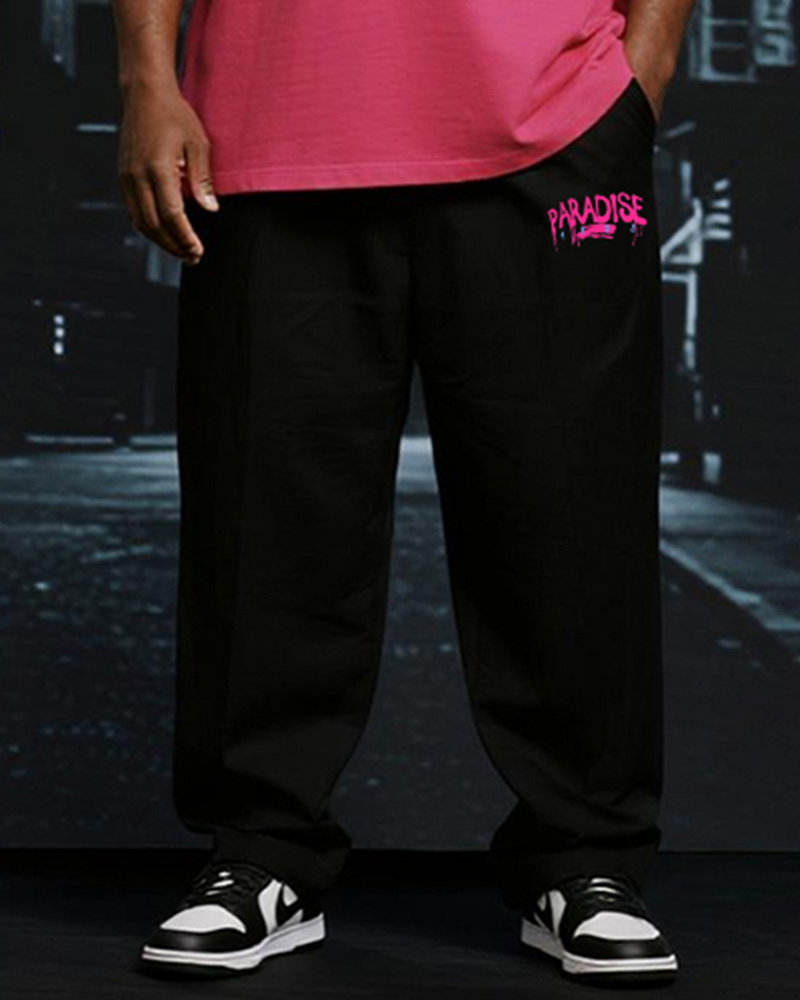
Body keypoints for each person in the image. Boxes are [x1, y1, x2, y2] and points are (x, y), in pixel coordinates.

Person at [113, 0, 697, 985]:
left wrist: (643, 71)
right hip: (266, 123)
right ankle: (260, 848)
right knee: (266, 515)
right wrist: (145, 80)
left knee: (569, 507)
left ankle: (586, 855)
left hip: (554, 122)